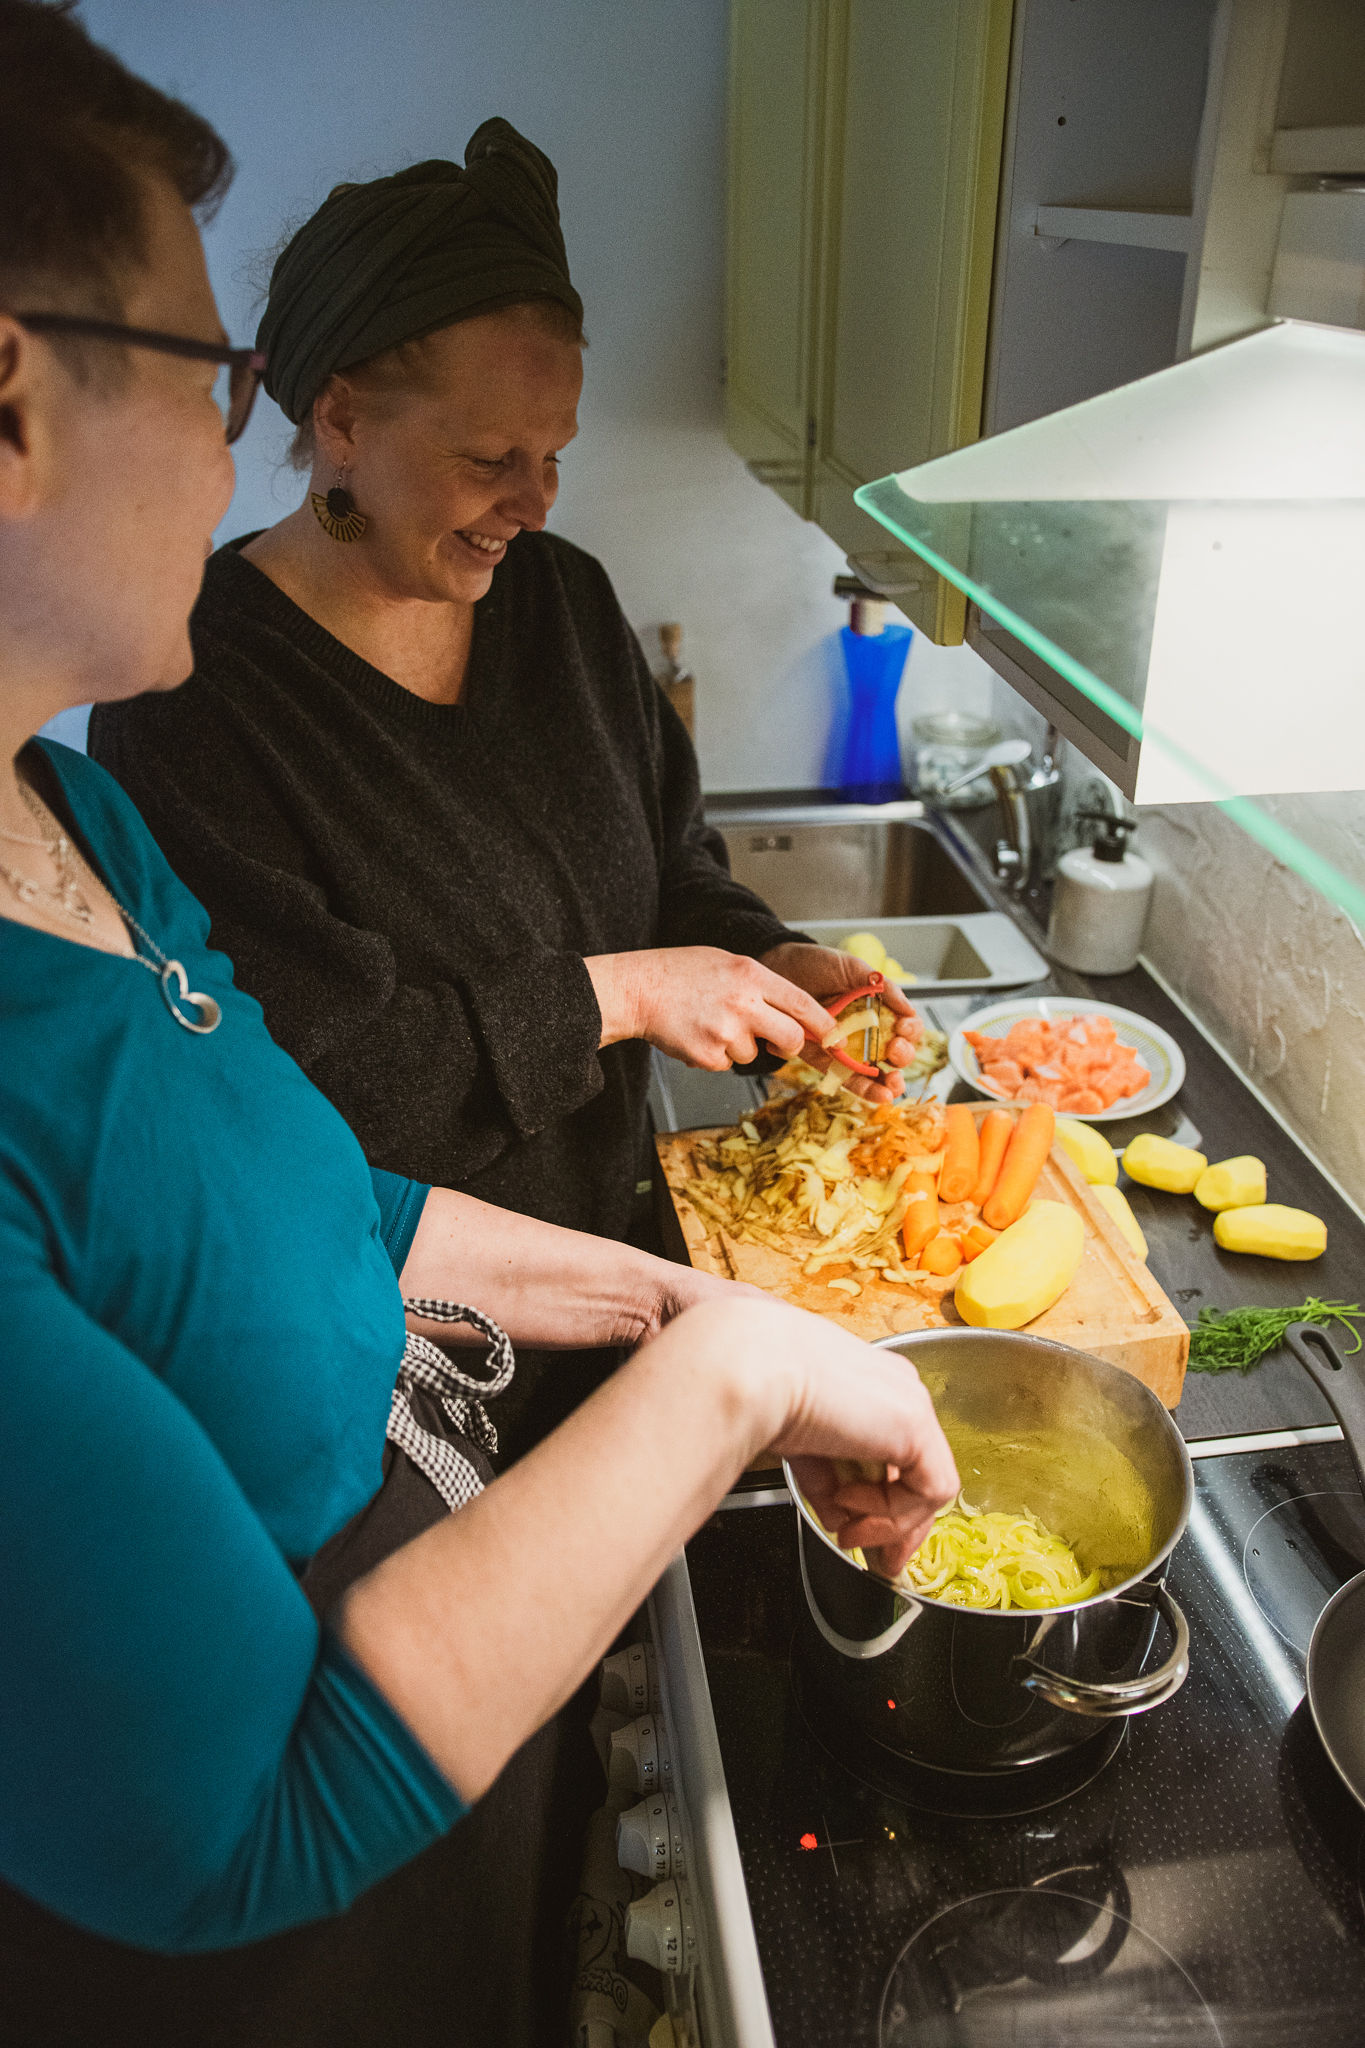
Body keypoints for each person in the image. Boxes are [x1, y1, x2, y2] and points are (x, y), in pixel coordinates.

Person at [0, 7, 957, 2042]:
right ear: (9, 399)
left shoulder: (65, 817)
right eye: (210, 375)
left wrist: (682, 1308)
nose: (229, 433)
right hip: (258, 1938)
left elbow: (303, 1183)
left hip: (465, 1565)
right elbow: (236, 1821)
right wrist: (718, 1382)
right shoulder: (189, 717)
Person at [86, 115, 925, 1458]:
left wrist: (772, 960)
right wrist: (632, 992)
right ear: (343, 420)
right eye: (490, 459)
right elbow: (312, 1092)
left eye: (556, 452)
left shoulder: (563, 601)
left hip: (623, 1282)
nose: (534, 500)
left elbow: (666, 871)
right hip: (395, 1366)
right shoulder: (189, 689)